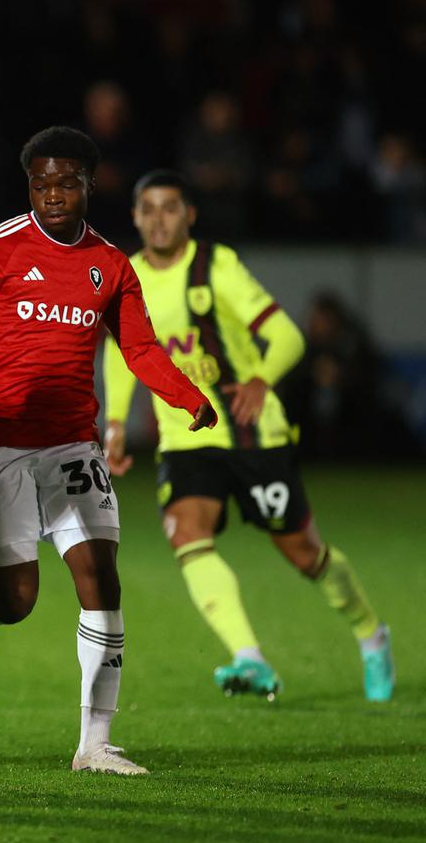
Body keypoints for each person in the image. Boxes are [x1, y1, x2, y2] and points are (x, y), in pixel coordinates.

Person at [0, 127, 216, 776]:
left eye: (66, 182)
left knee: (99, 575)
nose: (53, 193)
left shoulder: (109, 264)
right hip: (1, 445)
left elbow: (138, 349)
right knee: (18, 598)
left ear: (88, 185)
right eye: (41, 183)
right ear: (30, 186)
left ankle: (94, 743)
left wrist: (186, 395)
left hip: (71, 447)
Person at [102, 169, 394, 702]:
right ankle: (249, 657)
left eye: (171, 208)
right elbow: (123, 350)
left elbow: (286, 335)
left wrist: (261, 378)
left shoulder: (217, 266)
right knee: (188, 532)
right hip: (187, 436)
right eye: (150, 209)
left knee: (306, 555)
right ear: (135, 217)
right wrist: (116, 422)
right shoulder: (126, 276)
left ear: (190, 214)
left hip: (252, 433)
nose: (160, 219)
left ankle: (371, 633)